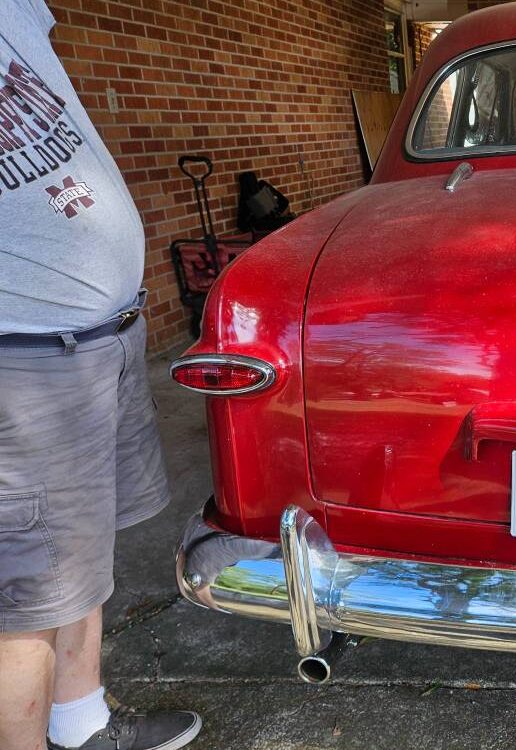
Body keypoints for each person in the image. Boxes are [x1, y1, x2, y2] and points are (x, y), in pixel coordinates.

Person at [0, 1, 201, 748]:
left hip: (100, 335)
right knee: (23, 599)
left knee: (78, 561)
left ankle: (82, 723)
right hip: (23, 355)